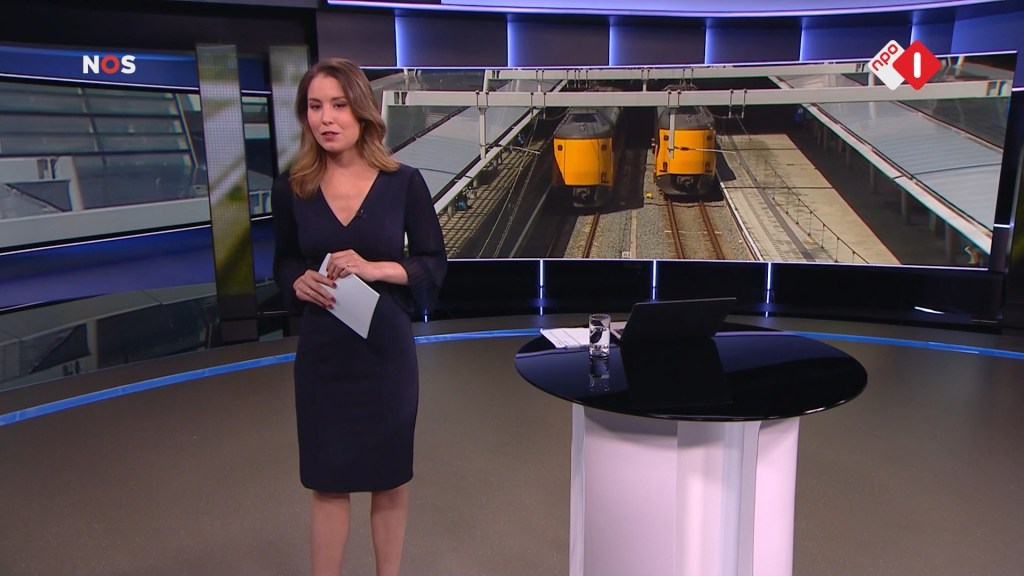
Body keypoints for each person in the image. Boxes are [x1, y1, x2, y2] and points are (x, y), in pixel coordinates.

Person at [271, 58, 447, 576]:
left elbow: (433, 262)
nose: (326, 118)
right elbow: (284, 259)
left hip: (385, 353)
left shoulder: (404, 183)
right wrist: (296, 281)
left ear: (362, 112)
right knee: (327, 481)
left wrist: (375, 268)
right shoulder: (293, 187)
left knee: (389, 479)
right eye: (315, 106)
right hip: (324, 353)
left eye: (338, 105)